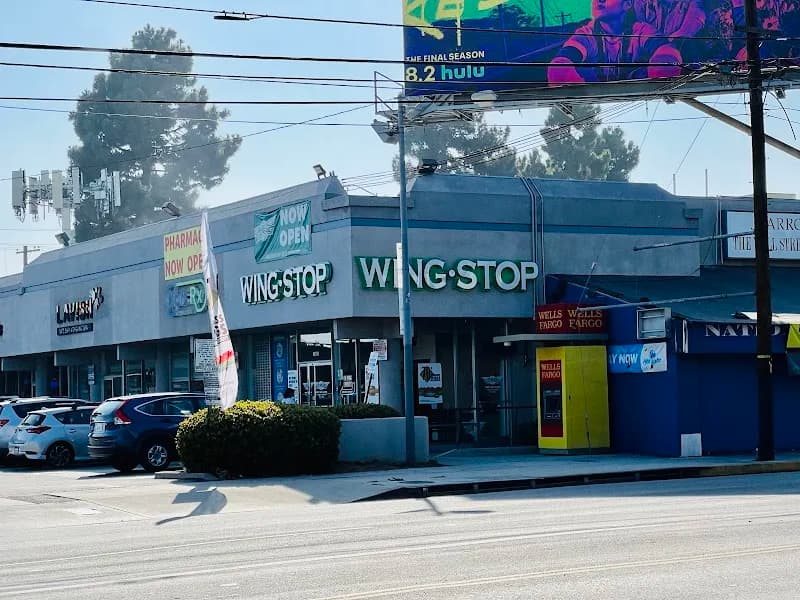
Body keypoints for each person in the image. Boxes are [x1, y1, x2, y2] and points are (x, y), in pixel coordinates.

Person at [548, 0, 686, 84]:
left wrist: (660, 75)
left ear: (627, 4)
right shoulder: (586, 33)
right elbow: (562, 61)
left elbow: (665, 50)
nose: (599, 0)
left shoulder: (640, 30)